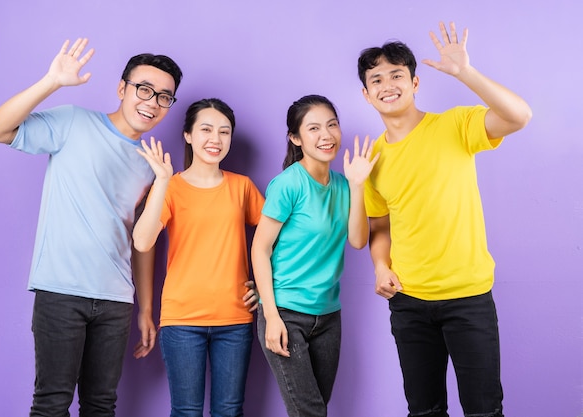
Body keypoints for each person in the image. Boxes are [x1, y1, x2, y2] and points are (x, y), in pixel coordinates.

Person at [0, 38, 183, 417]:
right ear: (122, 88)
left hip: (116, 300)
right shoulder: (75, 121)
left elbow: (141, 241)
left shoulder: (150, 164)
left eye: (164, 96)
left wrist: (144, 308)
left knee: (101, 405)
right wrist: (51, 81)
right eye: (144, 89)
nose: (152, 102)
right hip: (61, 291)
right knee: (51, 404)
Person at [357, 22, 532, 417]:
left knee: (484, 410)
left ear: (415, 83)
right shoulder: (374, 160)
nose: (388, 84)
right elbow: (379, 225)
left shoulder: (454, 125)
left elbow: (519, 116)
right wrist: (380, 265)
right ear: (366, 95)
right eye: (377, 79)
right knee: (423, 411)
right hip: (408, 302)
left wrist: (465, 73)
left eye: (397, 74)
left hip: (468, 297)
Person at [132, 98, 265, 417]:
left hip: (235, 319)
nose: (215, 139)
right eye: (206, 129)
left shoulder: (242, 187)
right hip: (181, 320)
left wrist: (265, 286)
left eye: (224, 132)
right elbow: (142, 241)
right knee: (186, 411)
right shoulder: (171, 187)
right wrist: (162, 181)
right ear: (188, 135)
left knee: (230, 411)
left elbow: (276, 239)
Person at [251, 95, 378, 417]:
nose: (326, 135)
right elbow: (260, 248)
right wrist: (272, 316)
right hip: (286, 312)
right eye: (314, 128)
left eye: (332, 125)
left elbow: (358, 240)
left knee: (316, 408)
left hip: (328, 315)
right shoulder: (288, 184)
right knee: (309, 412)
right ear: (296, 138)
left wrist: (359, 185)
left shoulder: (344, 185)